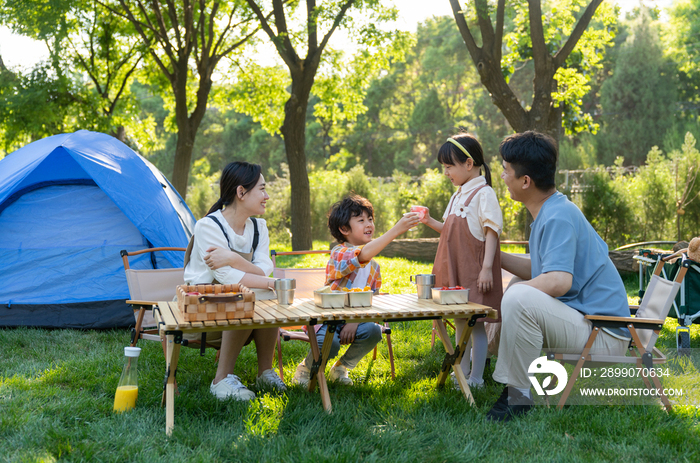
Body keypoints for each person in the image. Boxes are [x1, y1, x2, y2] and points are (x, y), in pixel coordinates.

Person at [488, 131, 630, 421]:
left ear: (525, 181)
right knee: (518, 287)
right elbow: (542, 271)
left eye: (506, 171)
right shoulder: (551, 211)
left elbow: (558, 281)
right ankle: (511, 380)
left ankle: (518, 395)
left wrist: (515, 295)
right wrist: (492, 257)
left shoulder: (558, 216)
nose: (502, 177)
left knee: (519, 295)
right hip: (589, 324)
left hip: (604, 335)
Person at [184, 161, 286, 401]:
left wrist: (232, 258)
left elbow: (264, 268)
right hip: (200, 307)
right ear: (241, 192)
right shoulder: (208, 225)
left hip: (237, 304)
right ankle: (221, 380)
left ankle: (265, 372)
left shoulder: (259, 227)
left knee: (261, 296)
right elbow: (226, 277)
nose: (267, 196)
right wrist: (268, 281)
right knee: (245, 296)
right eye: (261, 189)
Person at [292, 195, 420, 386]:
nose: (369, 224)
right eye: (361, 220)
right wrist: (396, 230)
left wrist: (356, 320)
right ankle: (307, 368)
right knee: (331, 343)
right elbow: (361, 255)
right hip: (329, 319)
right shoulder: (339, 253)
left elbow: (371, 300)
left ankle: (341, 368)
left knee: (374, 331)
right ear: (344, 229)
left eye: (370, 219)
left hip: (354, 320)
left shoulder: (374, 267)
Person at [417, 134, 503, 389]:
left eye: (449, 166)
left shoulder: (484, 193)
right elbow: (450, 230)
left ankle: (476, 377)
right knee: (459, 321)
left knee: (475, 324)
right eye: (444, 167)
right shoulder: (457, 196)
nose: (446, 173)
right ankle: (462, 371)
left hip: (474, 270)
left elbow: (491, 232)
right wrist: (428, 220)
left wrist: (487, 268)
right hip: (455, 268)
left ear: (468, 163)